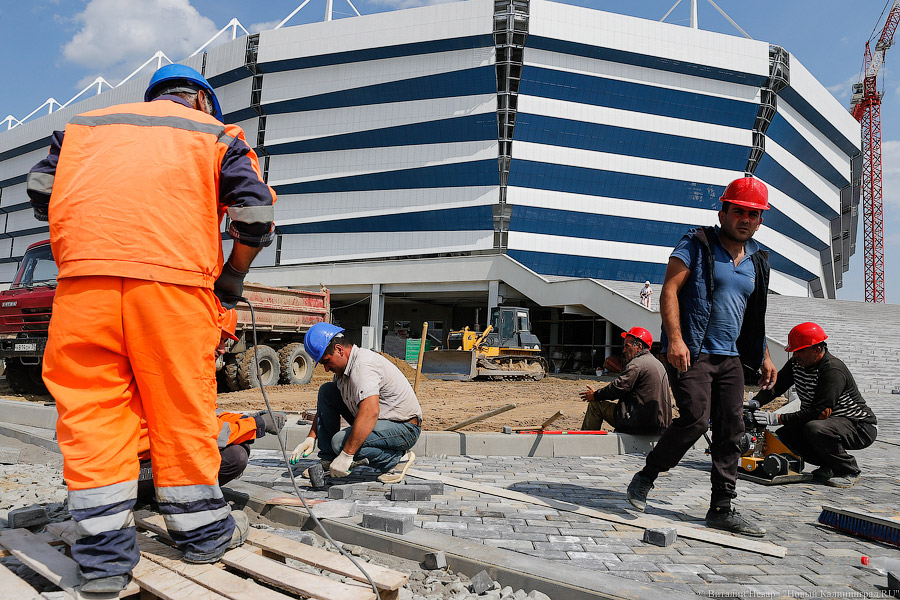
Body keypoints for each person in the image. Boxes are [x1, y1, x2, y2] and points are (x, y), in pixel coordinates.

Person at [27, 63, 276, 592]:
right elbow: (254, 215)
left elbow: (41, 190)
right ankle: (203, 535)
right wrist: (231, 277)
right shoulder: (216, 135)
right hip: (173, 289)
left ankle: (103, 561)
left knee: (92, 418)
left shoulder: (83, 127)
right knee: (181, 410)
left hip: (83, 289)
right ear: (203, 102)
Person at [625, 176, 777, 538]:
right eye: (738, 210)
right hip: (692, 352)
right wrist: (675, 339)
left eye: (753, 214)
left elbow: (754, 317)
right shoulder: (696, 244)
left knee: (732, 429)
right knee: (695, 418)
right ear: (723, 211)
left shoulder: (759, 260)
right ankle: (647, 475)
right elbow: (669, 290)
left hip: (732, 359)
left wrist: (766, 356)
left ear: (760, 220)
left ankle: (721, 507)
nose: (745, 219)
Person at [136, 310, 286, 499]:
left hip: (152, 460)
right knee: (234, 457)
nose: (223, 349)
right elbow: (206, 432)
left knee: (237, 447)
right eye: (220, 339)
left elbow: (211, 413)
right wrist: (257, 425)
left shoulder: (188, 369)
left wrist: (248, 419)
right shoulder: (173, 374)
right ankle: (176, 502)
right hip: (134, 471)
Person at [290, 322, 422, 484]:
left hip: (404, 428)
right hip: (379, 422)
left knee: (340, 443)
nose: (325, 369)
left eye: (326, 361)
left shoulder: (363, 366)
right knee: (327, 391)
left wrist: (347, 454)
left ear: (339, 349)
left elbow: (370, 411)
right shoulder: (342, 372)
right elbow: (328, 405)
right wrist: (311, 437)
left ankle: (397, 458)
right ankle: (328, 460)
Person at [752, 322, 877, 488]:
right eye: (794, 351)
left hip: (858, 426)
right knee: (785, 436)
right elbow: (777, 386)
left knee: (815, 429)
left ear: (817, 349)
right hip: (827, 421)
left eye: (801, 351)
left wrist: (777, 418)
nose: (796, 355)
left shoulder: (832, 369)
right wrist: (756, 402)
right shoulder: (797, 364)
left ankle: (849, 470)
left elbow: (819, 411)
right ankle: (829, 466)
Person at [579, 327, 672, 434]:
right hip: (660, 423)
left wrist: (595, 395)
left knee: (595, 406)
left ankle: (585, 442)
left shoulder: (636, 365)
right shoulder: (657, 364)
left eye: (627, 346)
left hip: (640, 422)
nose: (624, 350)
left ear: (639, 346)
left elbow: (617, 388)